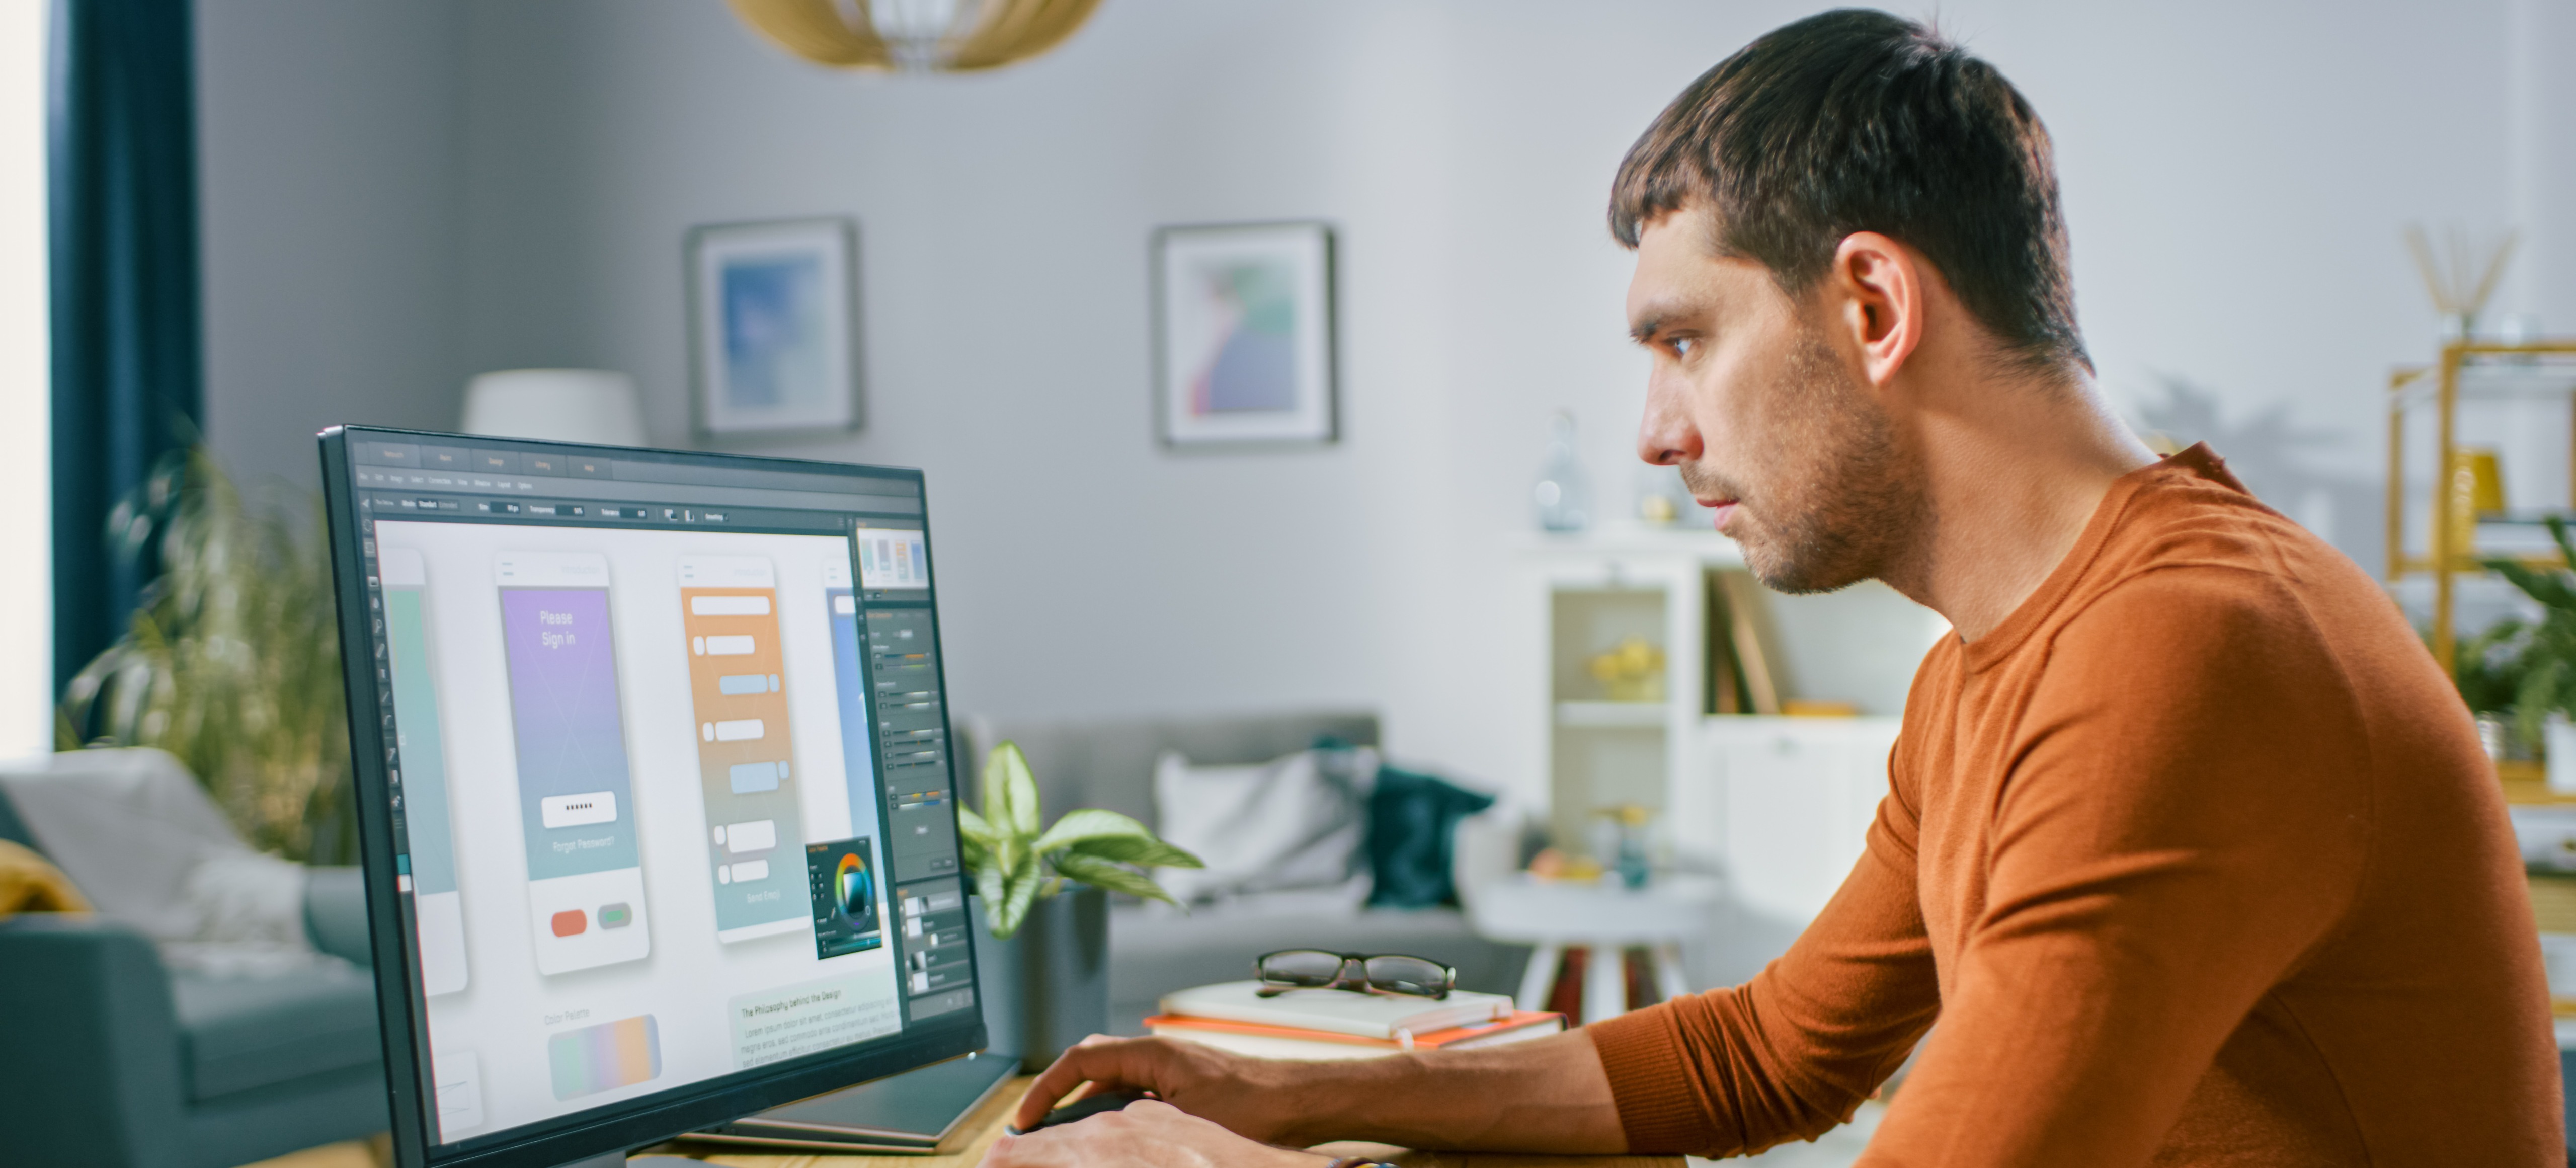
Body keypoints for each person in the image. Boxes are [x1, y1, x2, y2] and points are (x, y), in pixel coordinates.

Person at [980, 9, 2563, 1166]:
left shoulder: (2188, 648)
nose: (1656, 433)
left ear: (1872, 305)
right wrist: (1283, 1097)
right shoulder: (1992, 666)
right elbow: (1767, 1053)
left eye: (1684, 340)